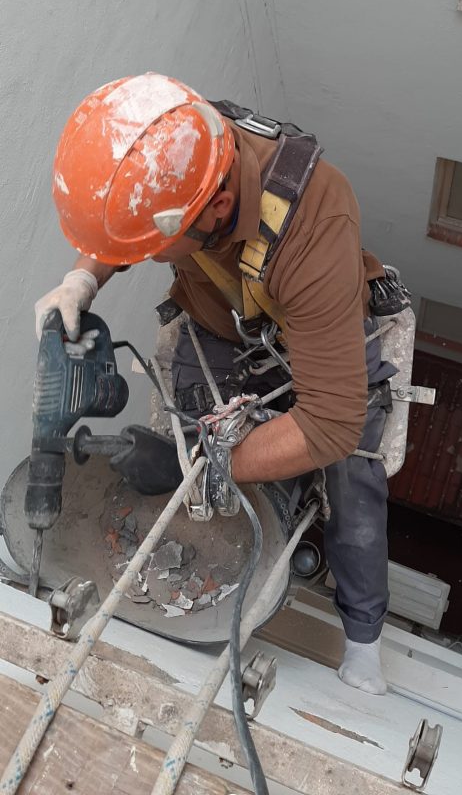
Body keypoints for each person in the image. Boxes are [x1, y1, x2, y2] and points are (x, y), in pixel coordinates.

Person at [35, 72, 410, 695]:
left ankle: (365, 632)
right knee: (187, 434)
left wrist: (206, 463)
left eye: (160, 246)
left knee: (352, 475)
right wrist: (83, 279)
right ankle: (197, 543)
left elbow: (331, 422)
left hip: (319, 333)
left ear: (214, 208)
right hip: (223, 321)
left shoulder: (316, 221)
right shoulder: (174, 145)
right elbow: (126, 221)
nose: (149, 256)